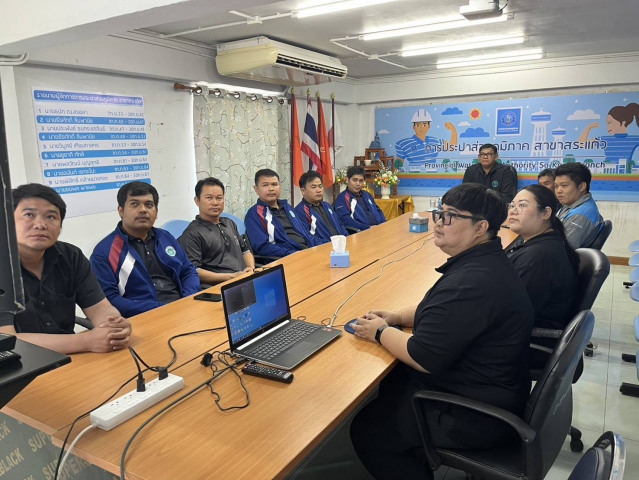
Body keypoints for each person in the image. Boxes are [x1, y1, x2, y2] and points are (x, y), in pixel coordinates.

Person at [349, 184, 534, 480]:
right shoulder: (483, 262)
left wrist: (381, 332)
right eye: (439, 213)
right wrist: (397, 316)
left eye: (450, 216)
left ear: (480, 228)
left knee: (368, 431)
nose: (438, 222)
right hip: (487, 388)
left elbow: (423, 356)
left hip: (477, 414)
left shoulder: (472, 281)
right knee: (391, 381)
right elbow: (439, 310)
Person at [0, 184, 131, 354]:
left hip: (73, 357)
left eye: (50, 217)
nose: (40, 224)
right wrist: (86, 341)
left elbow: (99, 307)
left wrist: (114, 327)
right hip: (19, 363)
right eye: (29, 215)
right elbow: (7, 339)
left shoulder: (70, 256)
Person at [91, 181, 200, 318]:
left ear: (156, 212)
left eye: (149, 205)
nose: (143, 210)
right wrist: (161, 309)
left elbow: (188, 271)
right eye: (134, 204)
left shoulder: (165, 237)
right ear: (121, 211)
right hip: (143, 317)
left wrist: (188, 299)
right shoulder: (105, 252)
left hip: (182, 309)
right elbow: (109, 300)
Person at [506, 185, 579, 331]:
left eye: (522, 205)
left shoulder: (539, 257)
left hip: (527, 336)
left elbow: (511, 314)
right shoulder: (542, 244)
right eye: (512, 205)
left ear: (546, 213)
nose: (513, 211)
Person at [178, 177, 254, 286]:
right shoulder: (192, 233)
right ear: (197, 201)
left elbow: (245, 251)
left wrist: (250, 268)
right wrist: (232, 277)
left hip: (243, 280)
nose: (215, 203)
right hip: (218, 287)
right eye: (209, 198)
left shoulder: (229, 223)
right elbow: (194, 271)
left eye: (219, 198)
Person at [245, 169, 318, 259]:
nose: (271, 189)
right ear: (256, 189)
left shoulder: (287, 207)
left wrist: (324, 245)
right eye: (265, 185)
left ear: (280, 186)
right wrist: (292, 253)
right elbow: (262, 247)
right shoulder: (254, 214)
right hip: (285, 258)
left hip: (306, 252)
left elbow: (305, 234)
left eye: (274, 184)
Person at [554, 163, 604, 249]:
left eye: (564, 185)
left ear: (582, 187)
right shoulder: (571, 203)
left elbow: (561, 249)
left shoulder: (580, 215)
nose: (558, 191)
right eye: (556, 186)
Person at [294, 171, 348, 244]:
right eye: (313, 187)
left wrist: (347, 239)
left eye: (320, 186)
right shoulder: (300, 211)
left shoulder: (327, 205)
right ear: (303, 191)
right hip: (323, 248)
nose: (319, 190)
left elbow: (340, 225)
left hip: (341, 245)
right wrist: (329, 244)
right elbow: (307, 237)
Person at [334, 166, 386, 231]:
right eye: (355, 180)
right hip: (361, 232)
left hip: (378, 230)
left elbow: (378, 210)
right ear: (347, 180)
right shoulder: (342, 198)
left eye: (361, 181)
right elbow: (345, 220)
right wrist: (367, 228)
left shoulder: (367, 195)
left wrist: (383, 224)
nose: (358, 184)